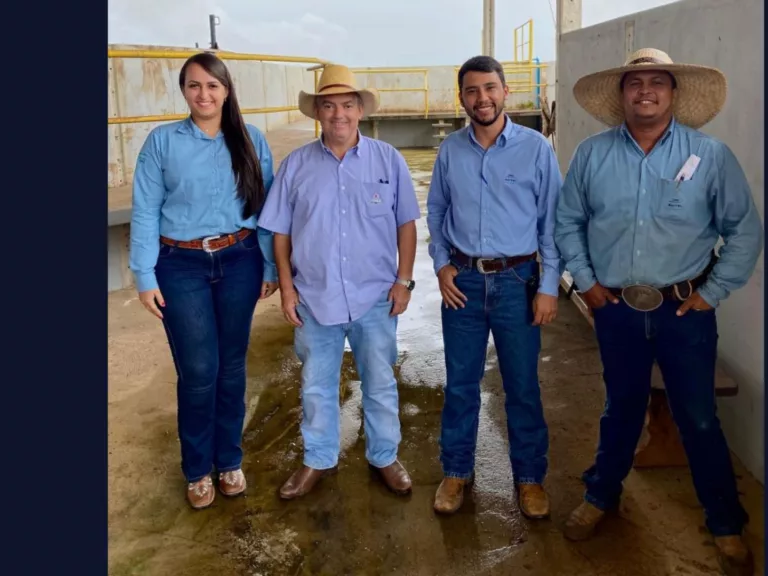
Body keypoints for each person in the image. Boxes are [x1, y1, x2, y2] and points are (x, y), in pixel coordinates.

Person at [554, 48, 763, 575]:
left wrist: (710, 294)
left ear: (673, 93)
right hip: (617, 310)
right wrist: (588, 286)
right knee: (620, 408)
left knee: (698, 417)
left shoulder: (710, 156)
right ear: (622, 94)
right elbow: (568, 223)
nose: (644, 91)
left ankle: (725, 523)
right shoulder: (591, 155)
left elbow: (744, 231)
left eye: (656, 82)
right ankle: (601, 496)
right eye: (634, 83)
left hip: (684, 312)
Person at [257, 64, 421, 499]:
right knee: (315, 384)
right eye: (328, 106)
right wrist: (287, 289)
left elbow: (407, 224)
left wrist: (404, 281)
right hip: (315, 297)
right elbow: (281, 233)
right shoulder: (295, 165)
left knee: (381, 380)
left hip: (375, 297)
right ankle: (317, 459)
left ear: (360, 111)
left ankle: (384, 456)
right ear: (318, 113)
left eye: (347, 105)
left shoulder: (389, 161)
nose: (338, 115)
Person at [129, 52, 280, 510]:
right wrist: (144, 274)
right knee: (198, 371)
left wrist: (270, 266)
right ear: (183, 91)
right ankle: (197, 469)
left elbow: (267, 209)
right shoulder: (162, 142)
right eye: (194, 86)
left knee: (232, 366)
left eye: (213, 86)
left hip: (240, 259)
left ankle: (229, 460)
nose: (204, 94)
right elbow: (144, 210)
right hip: (181, 264)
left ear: (227, 90)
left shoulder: (251, 139)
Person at [426, 55, 562, 518]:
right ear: (461, 97)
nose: (481, 98)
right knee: (461, 384)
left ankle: (529, 479)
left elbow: (551, 223)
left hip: (517, 282)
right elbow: (437, 213)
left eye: (489, 88)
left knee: (522, 385)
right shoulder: (450, 150)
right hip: (461, 284)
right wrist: (442, 265)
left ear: (505, 91)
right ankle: (457, 471)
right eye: (471, 91)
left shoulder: (536, 148)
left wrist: (548, 285)